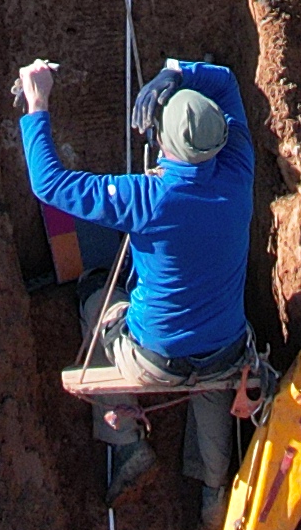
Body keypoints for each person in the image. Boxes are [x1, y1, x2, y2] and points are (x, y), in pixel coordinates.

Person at [18, 53, 258, 488]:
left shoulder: (146, 198)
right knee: (212, 374)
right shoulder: (239, 170)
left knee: (96, 300)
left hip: (155, 361)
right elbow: (227, 83)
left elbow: (49, 185)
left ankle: (127, 443)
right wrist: (178, 71)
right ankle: (215, 492)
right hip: (227, 352)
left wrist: (38, 104)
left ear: (160, 142)